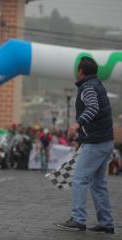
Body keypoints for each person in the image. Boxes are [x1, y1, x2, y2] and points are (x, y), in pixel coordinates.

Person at [56, 57, 115, 234]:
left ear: (81, 71)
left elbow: (92, 108)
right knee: (98, 184)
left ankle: (78, 219)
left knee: (80, 179)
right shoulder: (96, 84)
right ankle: (106, 223)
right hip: (106, 141)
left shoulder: (87, 87)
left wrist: (77, 124)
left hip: (96, 142)